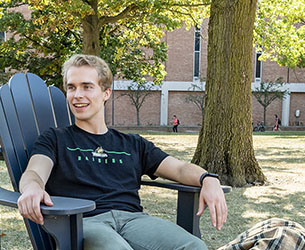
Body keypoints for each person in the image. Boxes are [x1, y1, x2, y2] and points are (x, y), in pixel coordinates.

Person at [16, 54, 227, 250]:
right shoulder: (55, 139)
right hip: (84, 223)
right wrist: (32, 189)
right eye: (71, 88)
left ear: (106, 93)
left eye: (87, 87)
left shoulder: (132, 144)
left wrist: (208, 178)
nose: (77, 95)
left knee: (195, 246)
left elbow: (180, 169)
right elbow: (35, 172)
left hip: (134, 220)